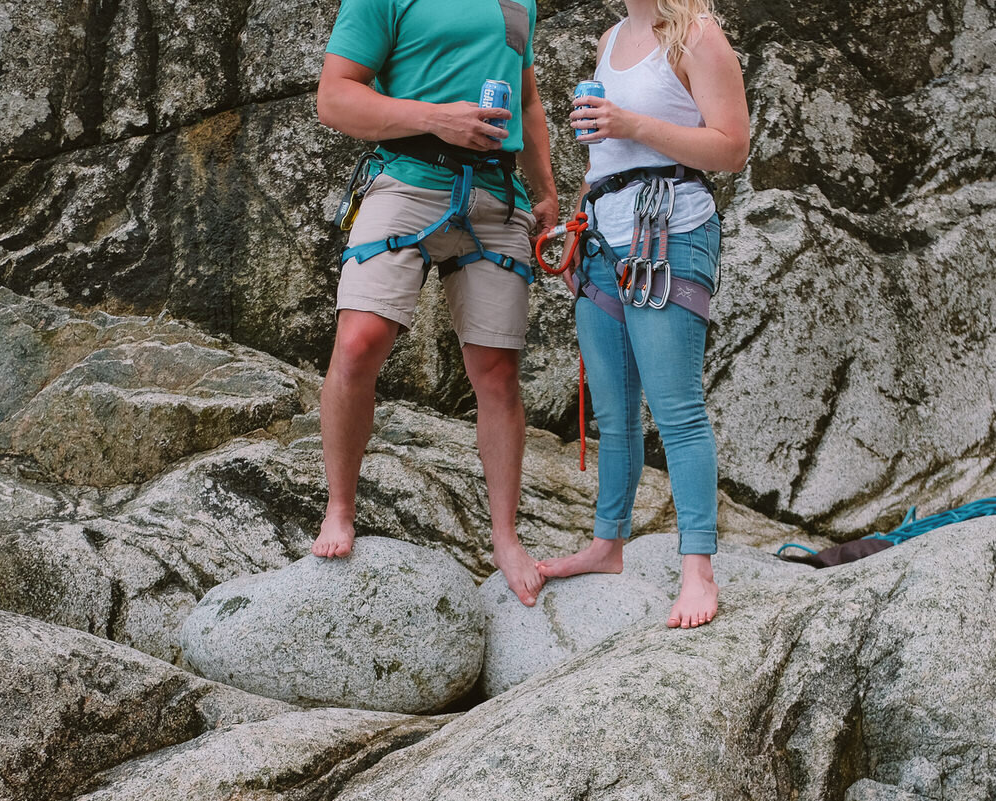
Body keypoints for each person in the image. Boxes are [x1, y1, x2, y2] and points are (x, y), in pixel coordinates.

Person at [313, 0, 560, 607]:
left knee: (498, 373)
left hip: (498, 194)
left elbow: (526, 101)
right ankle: (339, 508)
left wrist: (547, 189)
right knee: (358, 343)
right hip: (406, 178)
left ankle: (505, 538)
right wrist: (436, 119)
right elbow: (334, 97)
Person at [536, 0, 749, 628]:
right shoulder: (611, 37)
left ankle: (698, 570)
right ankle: (607, 545)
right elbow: (604, 158)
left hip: (672, 231)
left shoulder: (697, 34)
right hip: (603, 234)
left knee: (677, 409)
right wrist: (579, 224)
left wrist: (630, 122)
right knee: (613, 412)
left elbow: (731, 147)